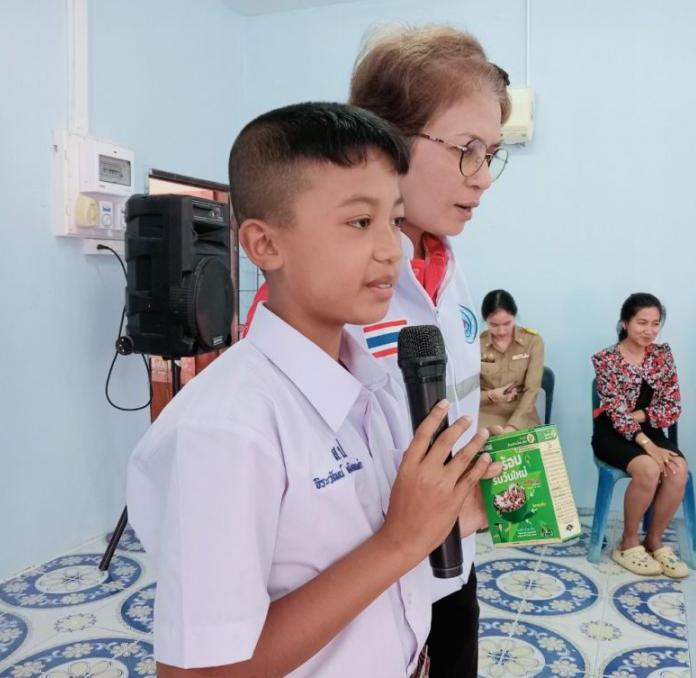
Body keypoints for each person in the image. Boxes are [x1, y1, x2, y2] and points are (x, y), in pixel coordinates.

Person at [126, 102, 499, 677]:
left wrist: (450, 510)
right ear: (265, 245)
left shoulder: (378, 386)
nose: (391, 249)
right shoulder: (225, 430)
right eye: (360, 222)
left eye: (395, 220)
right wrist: (399, 541)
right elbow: (199, 674)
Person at [345, 25, 511, 677]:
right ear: (387, 139)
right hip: (366, 589)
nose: (484, 179)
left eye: (492, 154)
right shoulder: (329, 289)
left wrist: (474, 471)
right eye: (468, 151)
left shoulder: (445, 264)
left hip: (451, 566)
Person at [591, 293, 690, 578]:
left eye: (655, 324)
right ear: (625, 323)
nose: (649, 330)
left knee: (678, 469)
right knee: (648, 468)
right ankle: (628, 542)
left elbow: (672, 406)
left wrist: (640, 416)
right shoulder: (606, 359)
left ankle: (654, 541)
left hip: (647, 428)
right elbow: (615, 414)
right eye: (642, 323)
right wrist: (647, 444)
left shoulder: (662, 355)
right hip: (610, 433)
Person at [478, 289, 544, 430]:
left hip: (522, 411)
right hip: (487, 411)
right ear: (485, 320)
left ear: (514, 316)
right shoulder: (476, 345)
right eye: (494, 325)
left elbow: (532, 390)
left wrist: (514, 426)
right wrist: (490, 395)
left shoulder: (533, 341)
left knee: (528, 444)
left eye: (507, 323)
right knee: (484, 443)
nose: (501, 331)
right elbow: (466, 393)